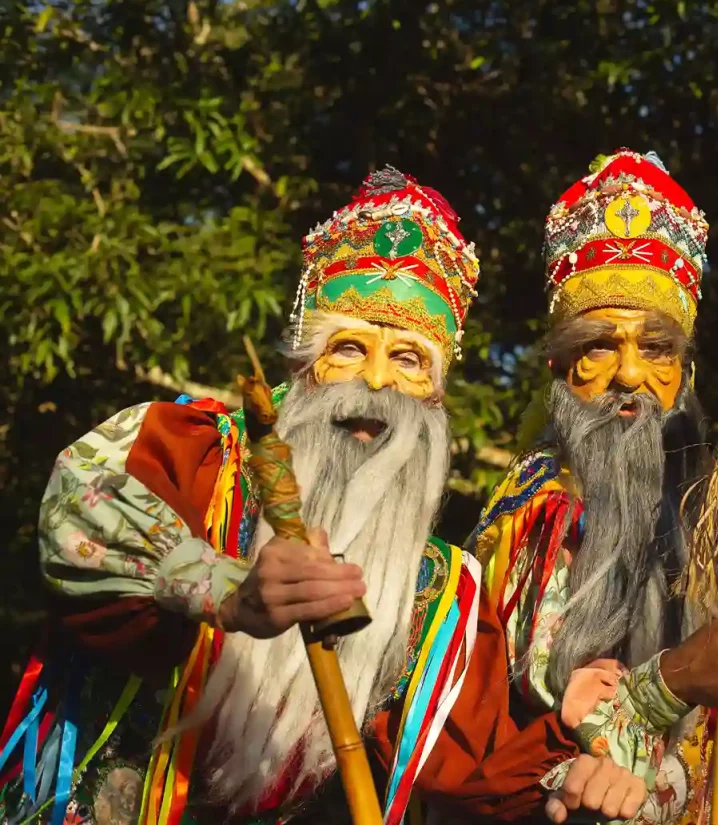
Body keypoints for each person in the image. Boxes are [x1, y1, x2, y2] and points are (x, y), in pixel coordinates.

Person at [0, 167, 601, 824]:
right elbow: (75, 511)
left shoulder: (437, 591)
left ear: (435, 396)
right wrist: (225, 586)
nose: (376, 381)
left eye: (408, 359)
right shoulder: (194, 454)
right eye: (348, 348)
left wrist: (588, 754)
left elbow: (484, 765)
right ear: (300, 365)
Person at [460, 149, 718, 825]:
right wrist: (670, 682)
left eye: (656, 346)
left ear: (683, 367)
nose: (630, 373)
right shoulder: (526, 513)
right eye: (601, 344)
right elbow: (532, 711)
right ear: (560, 365)